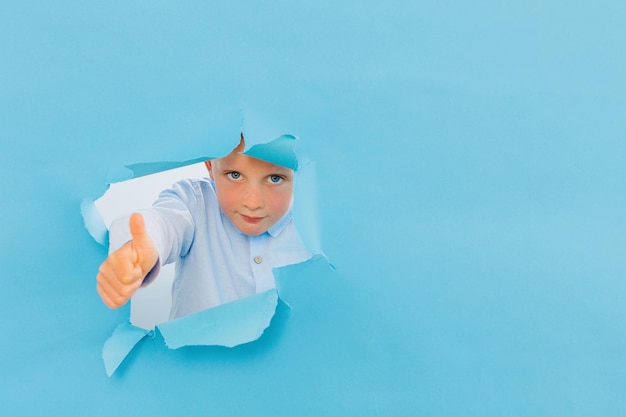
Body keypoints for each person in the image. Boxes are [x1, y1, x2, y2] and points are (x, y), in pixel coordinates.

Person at [96, 135, 312, 319]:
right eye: (234, 175)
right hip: (196, 365)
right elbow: (164, 222)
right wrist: (136, 250)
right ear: (210, 166)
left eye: (275, 178)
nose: (252, 202)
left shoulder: (313, 228)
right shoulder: (194, 202)